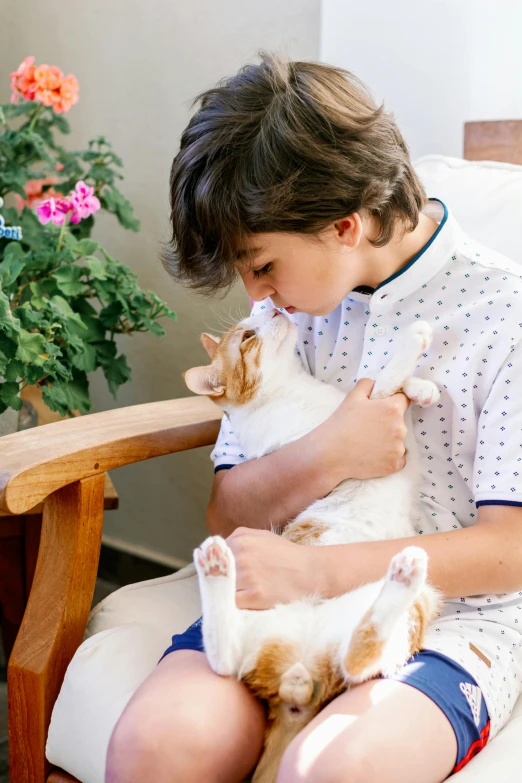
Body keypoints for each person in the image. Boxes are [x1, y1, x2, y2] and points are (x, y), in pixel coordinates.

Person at [105, 52, 522, 783]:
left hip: (457, 622)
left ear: (343, 224)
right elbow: (226, 508)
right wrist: (330, 451)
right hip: (282, 610)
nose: (255, 292)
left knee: (335, 767)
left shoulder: (503, 315)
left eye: (262, 265)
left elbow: (511, 548)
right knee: (158, 746)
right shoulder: (289, 318)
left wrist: (319, 568)